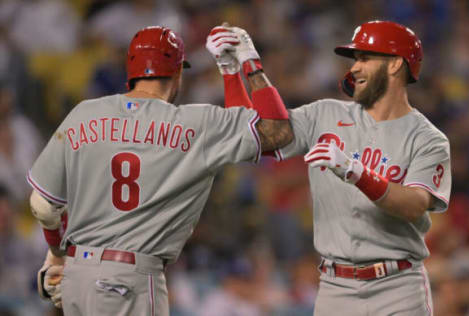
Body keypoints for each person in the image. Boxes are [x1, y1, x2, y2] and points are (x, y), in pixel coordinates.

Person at [28, 25, 292, 315]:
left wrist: (56, 256)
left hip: (76, 276)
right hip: (128, 280)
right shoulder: (195, 124)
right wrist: (245, 64)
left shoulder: (84, 113)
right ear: (178, 72)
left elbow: (43, 205)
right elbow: (276, 132)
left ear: (131, 71)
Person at [211, 21, 451, 315]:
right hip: (335, 287)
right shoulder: (325, 114)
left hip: (398, 288)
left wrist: (358, 174)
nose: (355, 68)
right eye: (355, 60)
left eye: (365, 58)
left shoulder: (428, 139)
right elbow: (255, 138)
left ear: (395, 65)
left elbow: (415, 205)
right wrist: (237, 69)